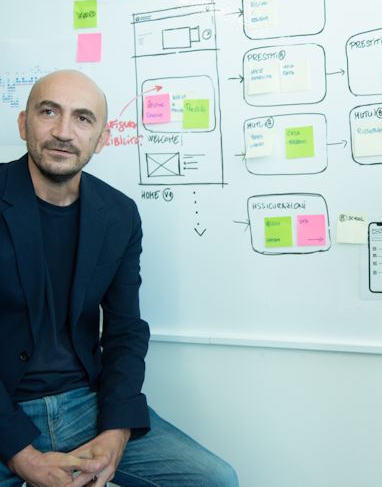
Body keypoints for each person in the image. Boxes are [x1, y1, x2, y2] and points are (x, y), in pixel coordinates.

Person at [0, 70, 238, 487]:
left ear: (102, 138)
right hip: (5, 405)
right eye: (49, 111)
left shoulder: (119, 214)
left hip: (84, 404)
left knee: (216, 479)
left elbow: (126, 330)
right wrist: (22, 455)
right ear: (23, 123)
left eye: (83, 119)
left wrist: (117, 429)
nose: (62, 132)